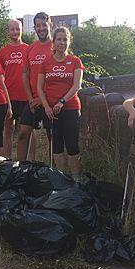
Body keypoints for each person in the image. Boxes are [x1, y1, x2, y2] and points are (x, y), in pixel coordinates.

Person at [37, 26, 84, 177]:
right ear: (54, 41)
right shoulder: (46, 62)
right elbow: (39, 87)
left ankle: (75, 179)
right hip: (51, 111)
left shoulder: (75, 61)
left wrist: (62, 102)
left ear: (69, 42)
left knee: (72, 145)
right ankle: (61, 178)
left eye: (65, 39)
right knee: (56, 145)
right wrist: (46, 107)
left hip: (70, 108)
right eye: (59, 39)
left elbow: (77, 85)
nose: (62, 42)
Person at [17, 12, 53, 161]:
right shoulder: (29, 49)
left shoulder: (57, 45)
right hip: (32, 100)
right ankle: (20, 168)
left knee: (53, 136)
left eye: (44, 25)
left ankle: (54, 170)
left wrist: (42, 98)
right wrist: (31, 99)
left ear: (50, 25)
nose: (41, 28)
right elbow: (25, 75)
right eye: (38, 26)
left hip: (51, 99)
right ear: (35, 28)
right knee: (23, 133)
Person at [0, 19, 29, 158]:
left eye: (18, 29)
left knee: (27, 131)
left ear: (22, 30)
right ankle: (7, 162)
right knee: (8, 129)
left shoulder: (29, 49)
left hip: (27, 96)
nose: (15, 32)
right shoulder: (2, 52)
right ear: (8, 31)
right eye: (12, 29)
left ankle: (29, 162)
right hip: (9, 97)